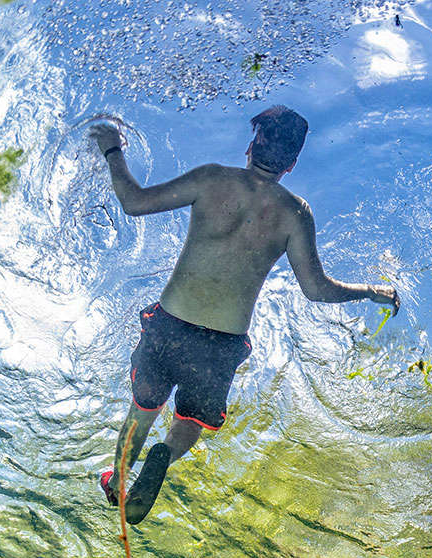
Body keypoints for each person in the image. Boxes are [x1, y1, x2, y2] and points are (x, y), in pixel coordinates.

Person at [90, 105, 399, 525]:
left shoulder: (213, 178)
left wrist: (112, 149)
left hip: (170, 324)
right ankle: (166, 454)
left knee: (142, 411)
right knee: (188, 424)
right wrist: (372, 291)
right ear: (292, 164)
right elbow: (316, 289)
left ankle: (117, 483)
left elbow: (134, 201)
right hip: (221, 343)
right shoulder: (296, 213)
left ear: (251, 144)